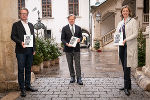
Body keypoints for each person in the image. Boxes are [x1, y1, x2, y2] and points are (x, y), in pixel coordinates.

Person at [11, 7, 37, 97]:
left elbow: (33, 38)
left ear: (27, 14)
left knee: (28, 69)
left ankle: (28, 86)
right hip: (21, 50)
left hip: (30, 50)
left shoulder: (31, 25)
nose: (24, 15)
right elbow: (13, 36)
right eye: (22, 13)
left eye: (25, 13)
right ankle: (22, 88)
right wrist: (20, 42)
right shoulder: (16, 25)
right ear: (20, 15)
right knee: (21, 70)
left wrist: (34, 49)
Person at [115, 5, 138, 96]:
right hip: (121, 46)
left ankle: (126, 87)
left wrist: (126, 39)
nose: (125, 12)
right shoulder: (120, 23)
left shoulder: (133, 21)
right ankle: (128, 85)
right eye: (123, 11)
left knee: (127, 66)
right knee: (124, 67)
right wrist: (116, 38)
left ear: (129, 12)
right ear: (121, 12)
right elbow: (117, 33)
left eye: (126, 11)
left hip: (128, 45)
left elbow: (135, 33)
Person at [61, 14, 83, 85]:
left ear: (74, 20)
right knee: (70, 64)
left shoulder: (78, 28)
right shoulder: (64, 28)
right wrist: (66, 44)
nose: (71, 20)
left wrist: (80, 39)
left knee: (77, 64)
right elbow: (62, 38)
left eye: (72, 19)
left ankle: (79, 78)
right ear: (68, 20)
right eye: (70, 19)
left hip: (76, 49)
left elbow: (81, 37)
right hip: (68, 49)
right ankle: (72, 77)